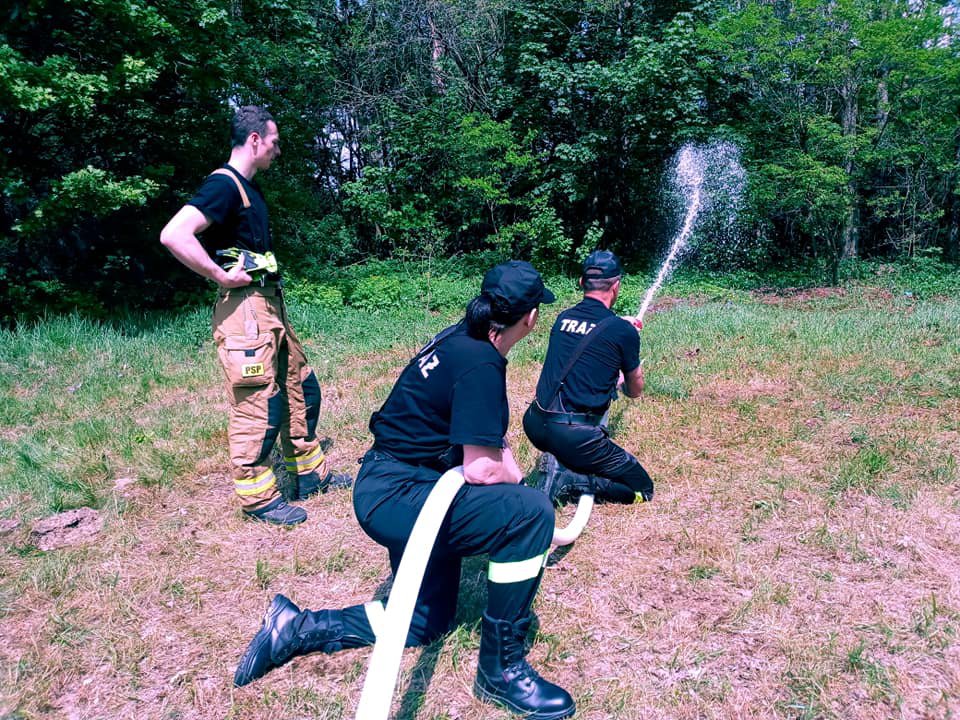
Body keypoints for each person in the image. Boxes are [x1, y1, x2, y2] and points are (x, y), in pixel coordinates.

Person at [233, 261, 576, 720]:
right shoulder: (480, 364)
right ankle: (501, 670)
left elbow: (491, 440)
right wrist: (534, 514)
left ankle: (297, 627)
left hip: (396, 484)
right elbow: (480, 469)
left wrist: (514, 481)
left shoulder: (463, 339)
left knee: (423, 622)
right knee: (530, 512)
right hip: (401, 495)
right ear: (531, 318)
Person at [159, 106, 349, 527]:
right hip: (244, 311)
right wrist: (218, 275)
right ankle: (259, 498)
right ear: (255, 140)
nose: (278, 152)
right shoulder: (223, 185)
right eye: (275, 143)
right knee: (257, 402)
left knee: (300, 387)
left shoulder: (248, 188)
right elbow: (173, 234)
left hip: (268, 307)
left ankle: (309, 476)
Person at [523, 249, 654, 508]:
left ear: (582, 283)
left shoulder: (563, 319)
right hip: (575, 435)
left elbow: (582, 354)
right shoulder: (621, 331)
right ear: (616, 286)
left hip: (536, 425)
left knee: (570, 448)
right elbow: (635, 389)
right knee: (642, 489)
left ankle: (561, 462)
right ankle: (571, 480)